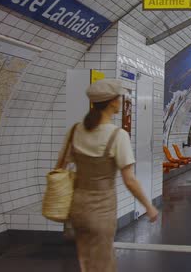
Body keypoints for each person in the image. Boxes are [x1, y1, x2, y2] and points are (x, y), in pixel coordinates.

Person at [56, 79, 159, 271]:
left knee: (85, 259)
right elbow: (129, 180)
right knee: (103, 263)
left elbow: (60, 166)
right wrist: (148, 206)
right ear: (112, 102)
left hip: (77, 207)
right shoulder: (117, 135)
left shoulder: (75, 131)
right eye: (119, 97)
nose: (121, 100)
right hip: (101, 209)